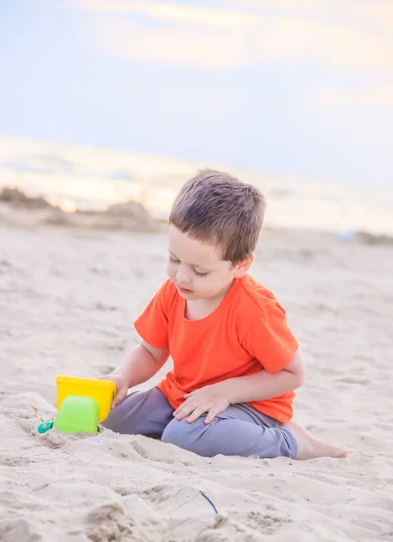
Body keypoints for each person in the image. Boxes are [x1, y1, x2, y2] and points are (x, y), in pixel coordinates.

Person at [103, 169, 347, 460]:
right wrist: (122, 377)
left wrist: (223, 393)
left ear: (241, 265)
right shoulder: (174, 291)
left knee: (183, 435)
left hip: (250, 405)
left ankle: (293, 441)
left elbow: (293, 373)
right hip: (183, 395)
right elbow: (150, 351)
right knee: (110, 417)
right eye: (174, 259)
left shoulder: (253, 308)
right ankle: (184, 426)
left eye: (200, 270)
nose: (182, 277)